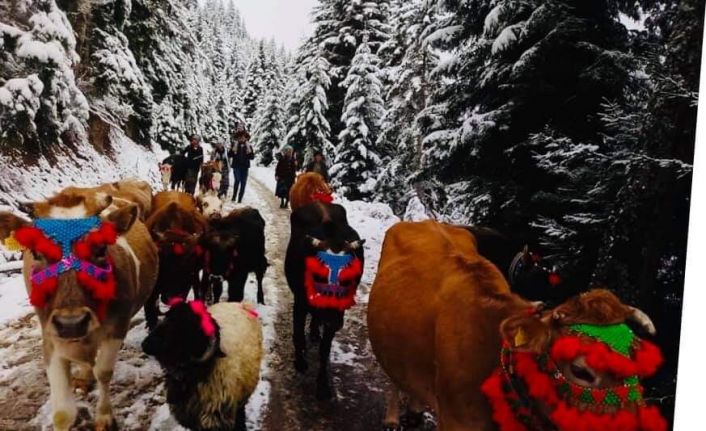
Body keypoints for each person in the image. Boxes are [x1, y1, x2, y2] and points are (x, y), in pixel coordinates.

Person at [229, 129, 254, 203]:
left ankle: (240, 198)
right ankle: (234, 196)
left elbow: (252, 157)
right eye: (240, 137)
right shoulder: (235, 145)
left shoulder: (248, 146)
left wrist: (249, 151)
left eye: (243, 137)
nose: (242, 139)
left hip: (245, 167)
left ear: (246, 138)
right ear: (238, 138)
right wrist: (233, 150)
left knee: (243, 183)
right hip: (236, 166)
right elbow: (230, 155)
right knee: (237, 180)